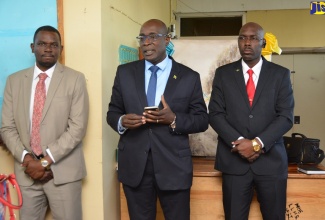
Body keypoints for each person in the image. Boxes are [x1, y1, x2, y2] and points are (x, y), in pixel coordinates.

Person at [107, 19, 208, 220]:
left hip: (174, 168)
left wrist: (174, 119)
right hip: (135, 167)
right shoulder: (125, 73)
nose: (146, 42)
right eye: (142, 37)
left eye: (153, 37)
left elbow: (202, 120)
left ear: (167, 40)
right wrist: (121, 121)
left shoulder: (188, 77)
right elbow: (113, 112)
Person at [1, 25, 89, 220]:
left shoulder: (75, 79)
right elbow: (7, 127)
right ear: (32, 47)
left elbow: (77, 128)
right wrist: (27, 160)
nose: (48, 49)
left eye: (53, 45)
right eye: (42, 44)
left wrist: (45, 161)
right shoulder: (14, 82)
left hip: (64, 174)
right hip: (27, 173)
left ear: (60, 49)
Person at [208, 22, 294, 220]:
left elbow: (285, 116)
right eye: (242, 37)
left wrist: (256, 144)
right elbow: (215, 114)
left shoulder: (280, 74)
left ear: (263, 43)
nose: (247, 43)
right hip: (234, 163)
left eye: (253, 38)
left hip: (271, 163)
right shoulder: (224, 74)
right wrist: (240, 144)